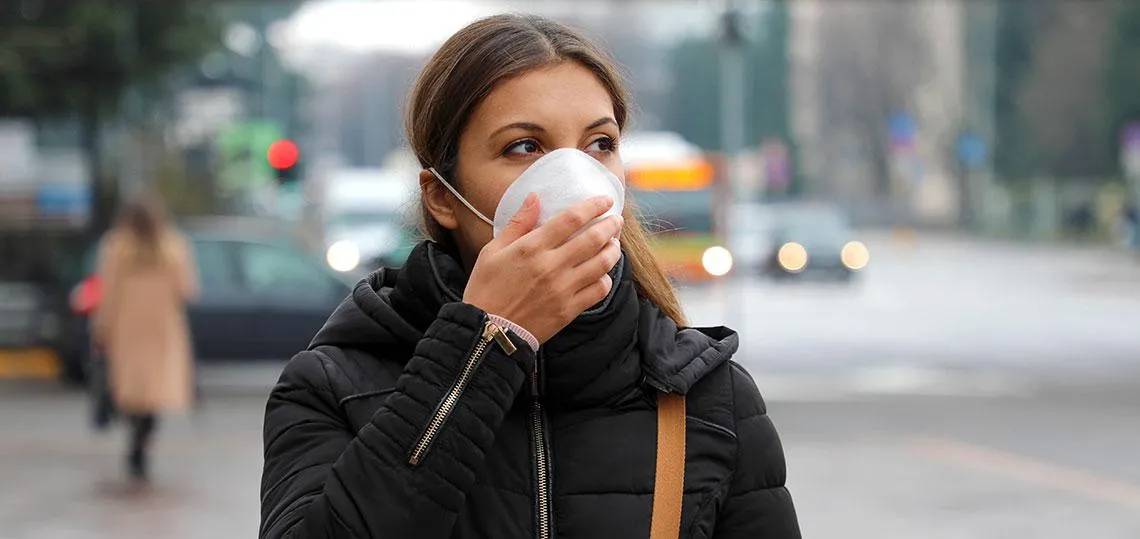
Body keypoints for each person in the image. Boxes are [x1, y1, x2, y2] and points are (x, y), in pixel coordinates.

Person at [260, 13, 800, 539]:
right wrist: (483, 347)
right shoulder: (331, 386)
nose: (575, 178)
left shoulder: (709, 397)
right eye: (525, 146)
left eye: (599, 145)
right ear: (442, 197)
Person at [92, 196, 198, 481]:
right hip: (163, 326)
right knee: (154, 391)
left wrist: (101, 328)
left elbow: (108, 292)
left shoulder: (116, 246)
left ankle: (135, 437)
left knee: (132, 389)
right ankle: (142, 443)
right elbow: (187, 289)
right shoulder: (174, 245)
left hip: (127, 326)